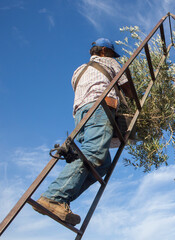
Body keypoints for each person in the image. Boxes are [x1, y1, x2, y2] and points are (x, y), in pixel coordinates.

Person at [33, 38, 133, 225]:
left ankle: (61, 201)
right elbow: (127, 87)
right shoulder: (110, 62)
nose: (113, 56)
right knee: (93, 153)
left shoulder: (78, 70)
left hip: (81, 114)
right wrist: (137, 98)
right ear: (104, 51)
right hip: (100, 108)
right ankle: (54, 197)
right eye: (112, 52)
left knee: (102, 165)